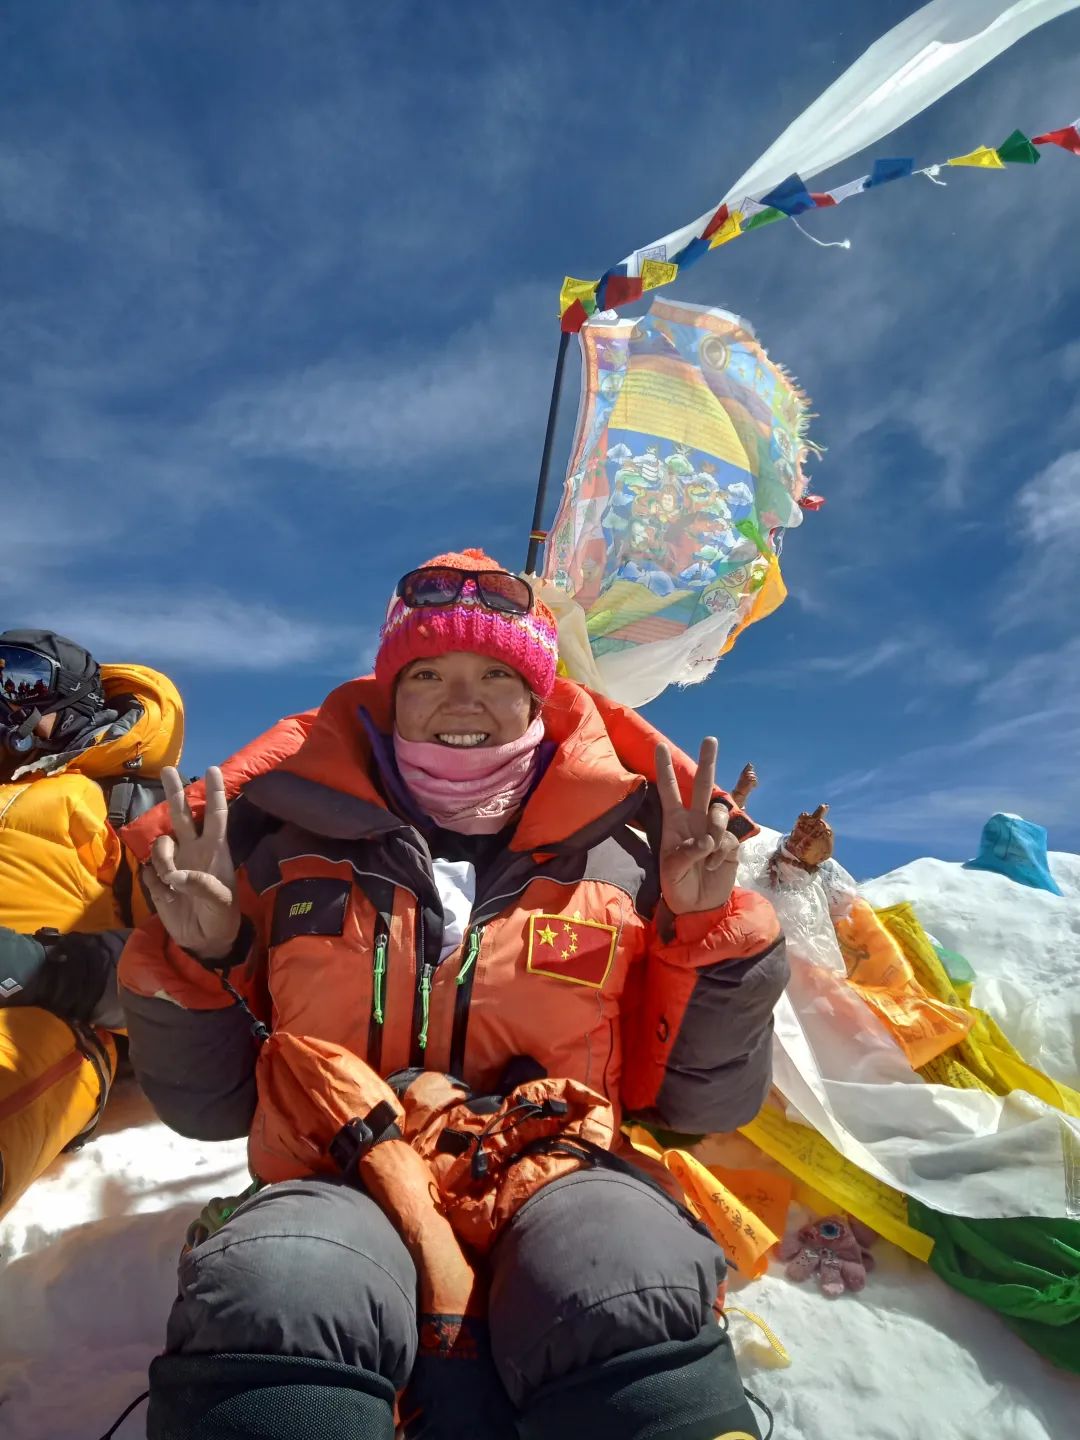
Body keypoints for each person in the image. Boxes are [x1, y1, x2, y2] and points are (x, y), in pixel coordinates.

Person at [119, 549, 788, 1440]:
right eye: (426, 674)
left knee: (629, 1273)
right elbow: (211, 1106)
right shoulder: (277, 845)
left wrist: (704, 928)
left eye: (496, 674)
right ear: (390, 697)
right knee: (277, 1284)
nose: (460, 699)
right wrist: (205, 954)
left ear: (540, 696)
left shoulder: (637, 856)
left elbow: (701, 1104)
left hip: (558, 1176)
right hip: (338, 1174)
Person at [0, 629, 183, 1219]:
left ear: (75, 696)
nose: (6, 700)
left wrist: (43, 969)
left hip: (51, 1018)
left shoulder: (127, 801)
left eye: (21, 678)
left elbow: (189, 970)